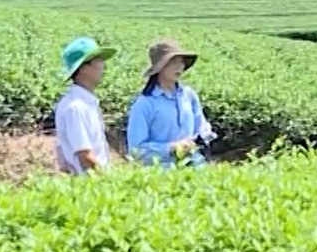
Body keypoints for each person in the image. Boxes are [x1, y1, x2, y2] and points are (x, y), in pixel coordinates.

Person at [127, 37, 216, 168]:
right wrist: (171, 148)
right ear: (159, 68)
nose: (179, 67)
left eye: (181, 62)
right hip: (162, 173)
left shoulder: (189, 95)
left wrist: (203, 138)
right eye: (173, 62)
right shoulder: (144, 104)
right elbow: (137, 150)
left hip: (195, 166)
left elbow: (201, 127)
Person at [55, 36, 117, 176]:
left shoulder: (86, 103)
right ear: (83, 68)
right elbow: (85, 156)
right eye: (98, 61)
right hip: (89, 183)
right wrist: (109, 179)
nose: (103, 66)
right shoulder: (76, 107)